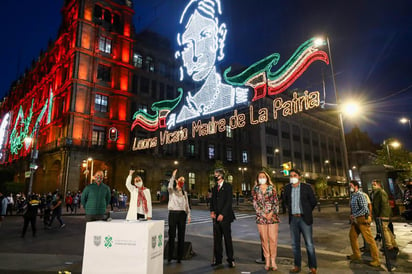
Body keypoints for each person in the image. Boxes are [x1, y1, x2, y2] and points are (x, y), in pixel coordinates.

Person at [167, 0, 248, 127]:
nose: (195, 55)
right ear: (180, 56)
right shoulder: (176, 118)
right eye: (187, 45)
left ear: (220, 38)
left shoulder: (237, 97)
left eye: (204, 36)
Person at [284, 169, 317, 274]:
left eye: (294, 175)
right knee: (295, 244)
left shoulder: (306, 187)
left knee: (309, 244)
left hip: (304, 219)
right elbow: (285, 201)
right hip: (293, 219)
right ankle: (297, 266)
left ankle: (313, 267)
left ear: (299, 177)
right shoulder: (287, 188)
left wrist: (306, 211)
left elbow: (313, 201)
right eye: (291, 176)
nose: (292, 177)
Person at [347, 180, 380, 267]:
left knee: (369, 240)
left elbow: (365, 209)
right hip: (356, 220)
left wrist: (354, 215)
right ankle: (356, 255)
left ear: (355, 186)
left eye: (351, 186)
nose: (350, 187)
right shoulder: (353, 195)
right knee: (352, 236)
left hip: (362, 219)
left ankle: (376, 259)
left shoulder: (360, 195)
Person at [252, 171, 280, 271]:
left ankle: (273, 261)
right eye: (260, 177)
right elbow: (255, 203)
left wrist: (271, 213)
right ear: (257, 179)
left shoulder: (272, 188)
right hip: (261, 217)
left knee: (273, 239)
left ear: (267, 178)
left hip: (273, 217)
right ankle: (267, 260)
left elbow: (276, 202)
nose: (262, 178)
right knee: (264, 239)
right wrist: (263, 214)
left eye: (263, 176)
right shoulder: (255, 189)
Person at [210, 168, 235, 268]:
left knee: (227, 239)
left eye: (217, 174)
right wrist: (212, 211)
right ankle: (218, 259)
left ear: (221, 175)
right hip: (216, 217)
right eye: (214, 174)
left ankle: (230, 259)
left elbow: (229, 201)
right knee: (217, 239)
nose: (215, 176)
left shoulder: (228, 186)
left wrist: (223, 214)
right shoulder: (215, 187)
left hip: (225, 217)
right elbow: (212, 201)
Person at [167, 169, 191, 263]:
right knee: (172, 235)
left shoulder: (184, 193)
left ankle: (179, 257)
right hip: (173, 214)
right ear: (177, 182)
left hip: (182, 215)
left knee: (181, 236)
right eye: (180, 180)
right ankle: (170, 256)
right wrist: (173, 176)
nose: (181, 181)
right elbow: (169, 185)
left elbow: (187, 205)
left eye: (183, 181)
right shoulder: (172, 191)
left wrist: (189, 215)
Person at [371, 179, 398, 253]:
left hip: (383, 214)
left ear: (378, 185)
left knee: (384, 229)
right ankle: (393, 244)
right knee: (387, 229)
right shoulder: (378, 192)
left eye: (374, 184)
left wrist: (380, 215)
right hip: (384, 214)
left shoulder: (380, 192)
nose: (373, 186)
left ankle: (389, 246)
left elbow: (383, 204)